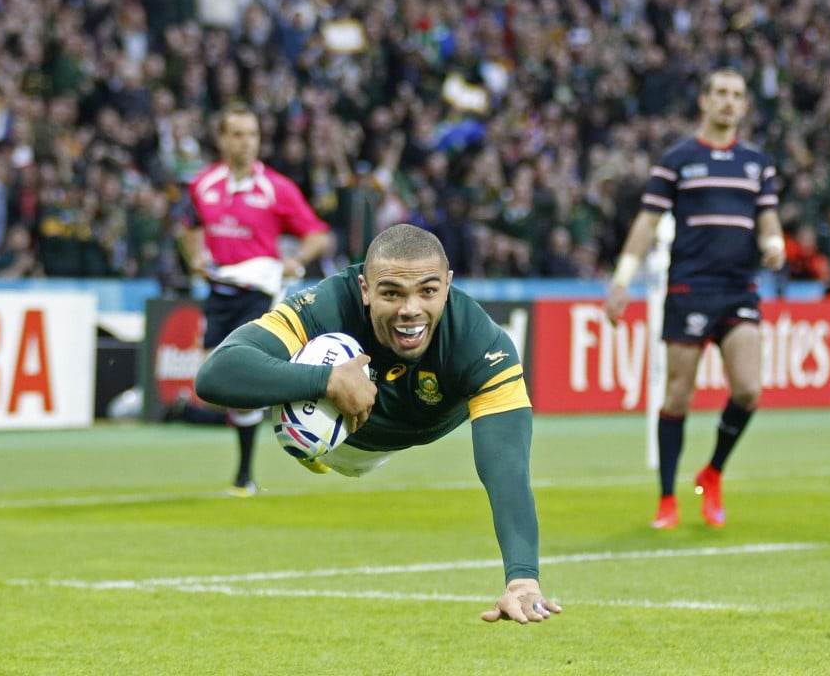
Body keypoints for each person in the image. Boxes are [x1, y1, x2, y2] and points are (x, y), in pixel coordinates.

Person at [195, 223, 562, 624]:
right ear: (365, 289)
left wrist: (523, 579)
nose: (411, 309)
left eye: (428, 290)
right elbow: (215, 375)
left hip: (403, 433)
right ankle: (308, 441)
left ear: (448, 285)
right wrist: (328, 380)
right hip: (339, 437)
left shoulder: (484, 345)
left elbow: (507, 467)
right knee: (321, 355)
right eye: (391, 292)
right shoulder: (327, 305)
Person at [604, 68, 786, 529]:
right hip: (689, 288)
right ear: (704, 101)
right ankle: (667, 498)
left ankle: (713, 471)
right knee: (677, 395)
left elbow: (768, 219)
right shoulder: (677, 160)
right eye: (721, 93)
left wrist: (775, 243)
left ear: (745, 106)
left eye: (737, 95)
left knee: (748, 389)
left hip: (739, 287)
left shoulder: (757, 163)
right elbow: (646, 224)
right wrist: (623, 278)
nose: (728, 101)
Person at [183, 102, 332, 497]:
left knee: (244, 378)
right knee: (212, 387)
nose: (246, 142)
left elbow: (317, 233)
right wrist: (195, 256)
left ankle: (246, 474)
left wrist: (296, 259)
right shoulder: (203, 184)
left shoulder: (276, 188)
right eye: (237, 134)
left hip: (261, 294)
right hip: (220, 292)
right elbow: (189, 224)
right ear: (221, 139)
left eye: (252, 134)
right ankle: (299, 413)